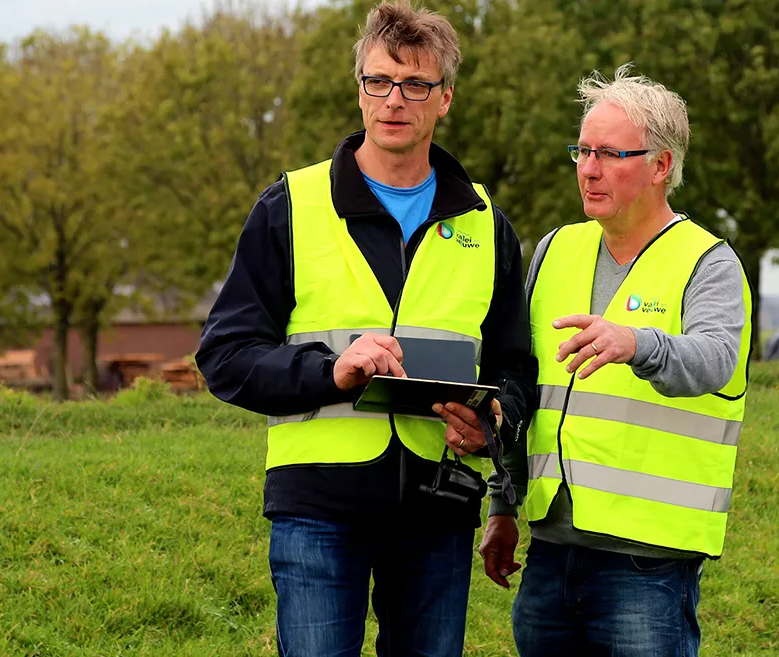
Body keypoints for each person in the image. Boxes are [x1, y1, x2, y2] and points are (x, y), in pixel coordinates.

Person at [195, 2, 537, 655]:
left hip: (440, 505)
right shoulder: (289, 207)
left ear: (445, 99)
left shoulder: (485, 222)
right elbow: (225, 356)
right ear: (359, 90)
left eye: (415, 85)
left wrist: (490, 416)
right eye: (378, 81)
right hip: (318, 504)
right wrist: (332, 373)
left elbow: (516, 368)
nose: (394, 100)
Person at [480, 64, 752, 656]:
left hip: (646, 566)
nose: (589, 167)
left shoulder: (709, 262)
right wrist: (501, 505)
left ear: (661, 166)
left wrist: (637, 343)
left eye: (609, 153)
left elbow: (717, 359)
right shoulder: (554, 250)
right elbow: (525, 387)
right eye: (582, 150)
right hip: (549, 552)